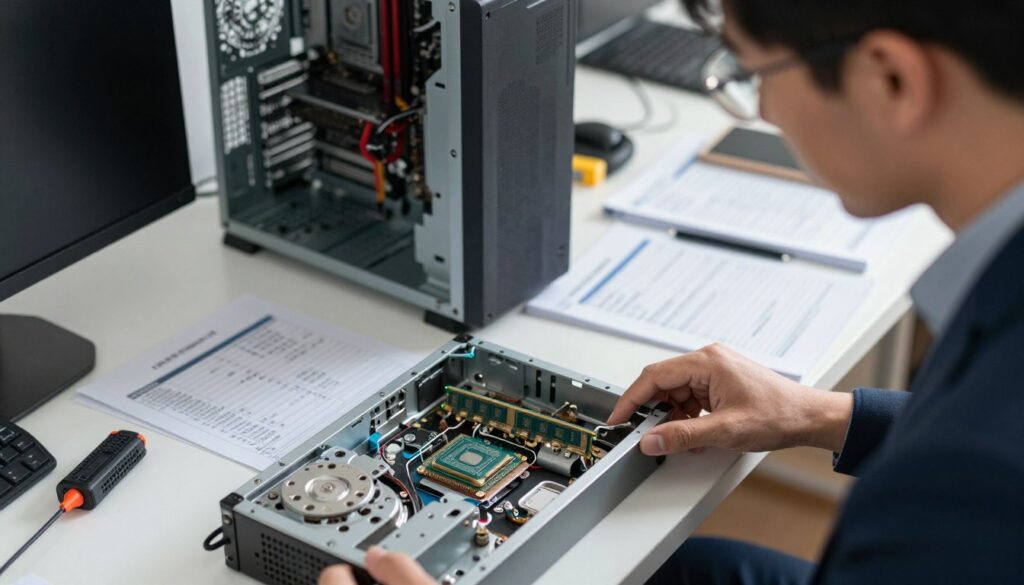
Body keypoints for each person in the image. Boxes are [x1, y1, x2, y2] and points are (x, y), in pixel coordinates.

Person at [320, 0, 1024, 582]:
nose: (765, 113)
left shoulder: (967, 488)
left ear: (889, 79)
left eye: (754, 74)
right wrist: (826, 414)